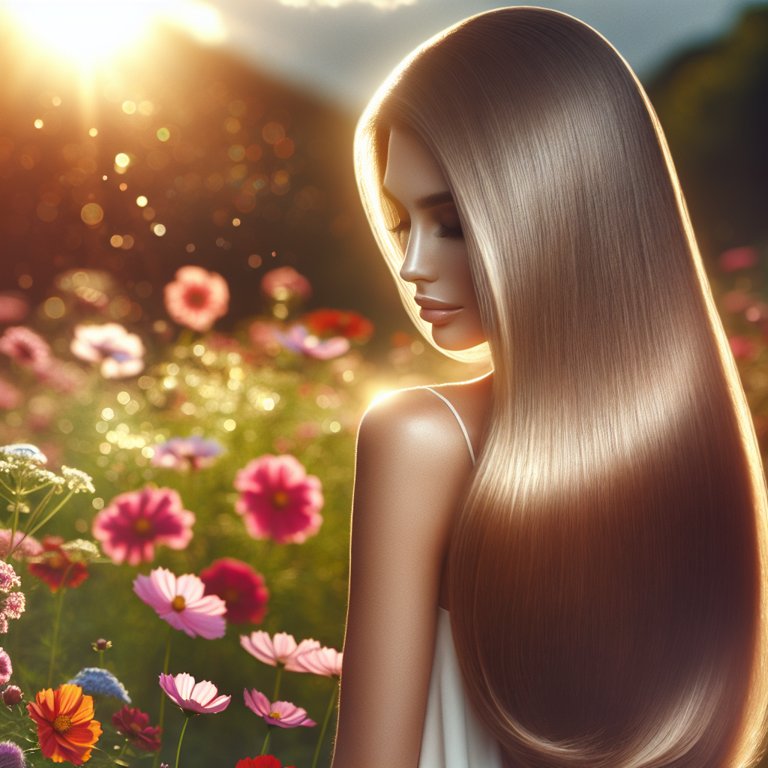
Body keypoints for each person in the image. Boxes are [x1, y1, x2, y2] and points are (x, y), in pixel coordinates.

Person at [332, 7, 768, 768]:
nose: (410, 266)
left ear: (555, 212)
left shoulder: (424, 437)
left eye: (455, 223)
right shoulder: (710, 459)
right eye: (404, 224)